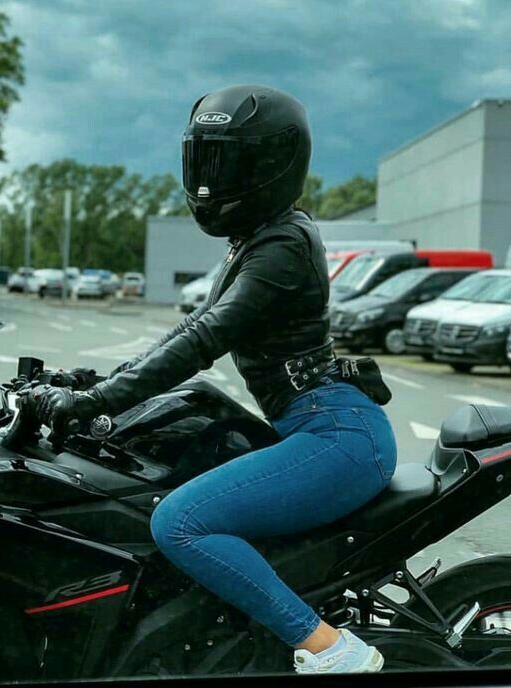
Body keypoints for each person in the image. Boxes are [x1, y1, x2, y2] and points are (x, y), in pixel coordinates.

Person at [33, 85, 398, 674]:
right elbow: (189, 330)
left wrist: (95, 399)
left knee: (179, 521)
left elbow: (205, 340)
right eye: (203, 161)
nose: (210, 181)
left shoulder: (282, 246)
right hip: (316, 427)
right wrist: (92, 383)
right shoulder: (257, 239)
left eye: (226, 162)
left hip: (336, 436)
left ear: (272, 165)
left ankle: (329, 648)